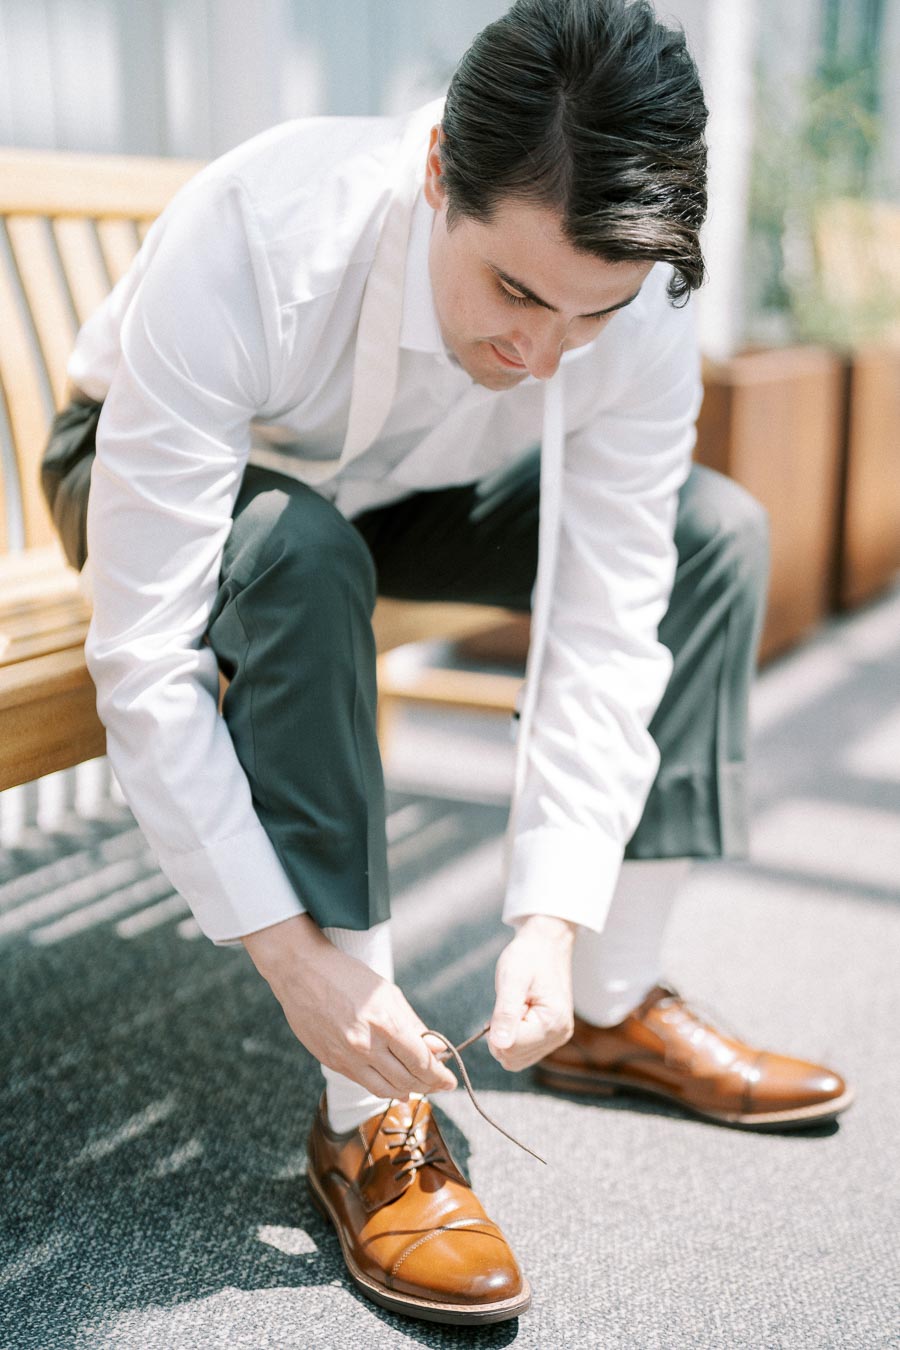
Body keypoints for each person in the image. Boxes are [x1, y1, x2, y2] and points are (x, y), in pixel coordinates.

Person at [41, 0, 853, 1327]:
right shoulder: (259, 232)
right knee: (300, 556)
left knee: (718, 533)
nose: (538, 352)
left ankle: (606, 1002)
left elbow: (609, 603)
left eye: (587, 317)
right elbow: (144, 659)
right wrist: (301, 963)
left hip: (410, 483)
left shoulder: (633, 304)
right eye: (516, 290)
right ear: (437, 176)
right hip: (150, 465)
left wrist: (553, 907)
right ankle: (373, 1114)